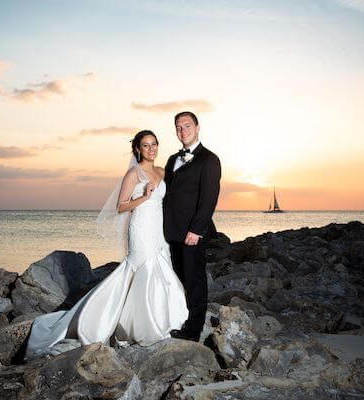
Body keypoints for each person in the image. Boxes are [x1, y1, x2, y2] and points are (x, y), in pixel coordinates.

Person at [25, 130, 188, 360]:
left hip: (158, 229)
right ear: (138, 149)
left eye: (154, 144)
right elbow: (121, 206)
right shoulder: (134, 173)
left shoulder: (162, 172)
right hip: (140, 228)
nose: (151, 149)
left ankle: (166, 318)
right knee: (143, 268)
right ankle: (129, 324)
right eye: (145, 145)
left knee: (162, 268)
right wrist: (145, 196)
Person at [163, 111, 221, 342]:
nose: (183, 131)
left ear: (197, 127)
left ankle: (193, 330)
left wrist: (196, 230)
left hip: (192, 233)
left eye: (187, 126)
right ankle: (183, 319)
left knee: (195, 281)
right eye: (178, 127)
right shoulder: (171, 159)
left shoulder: (209, 159)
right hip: (172, 231)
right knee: (180, 279)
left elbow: (209, 199)